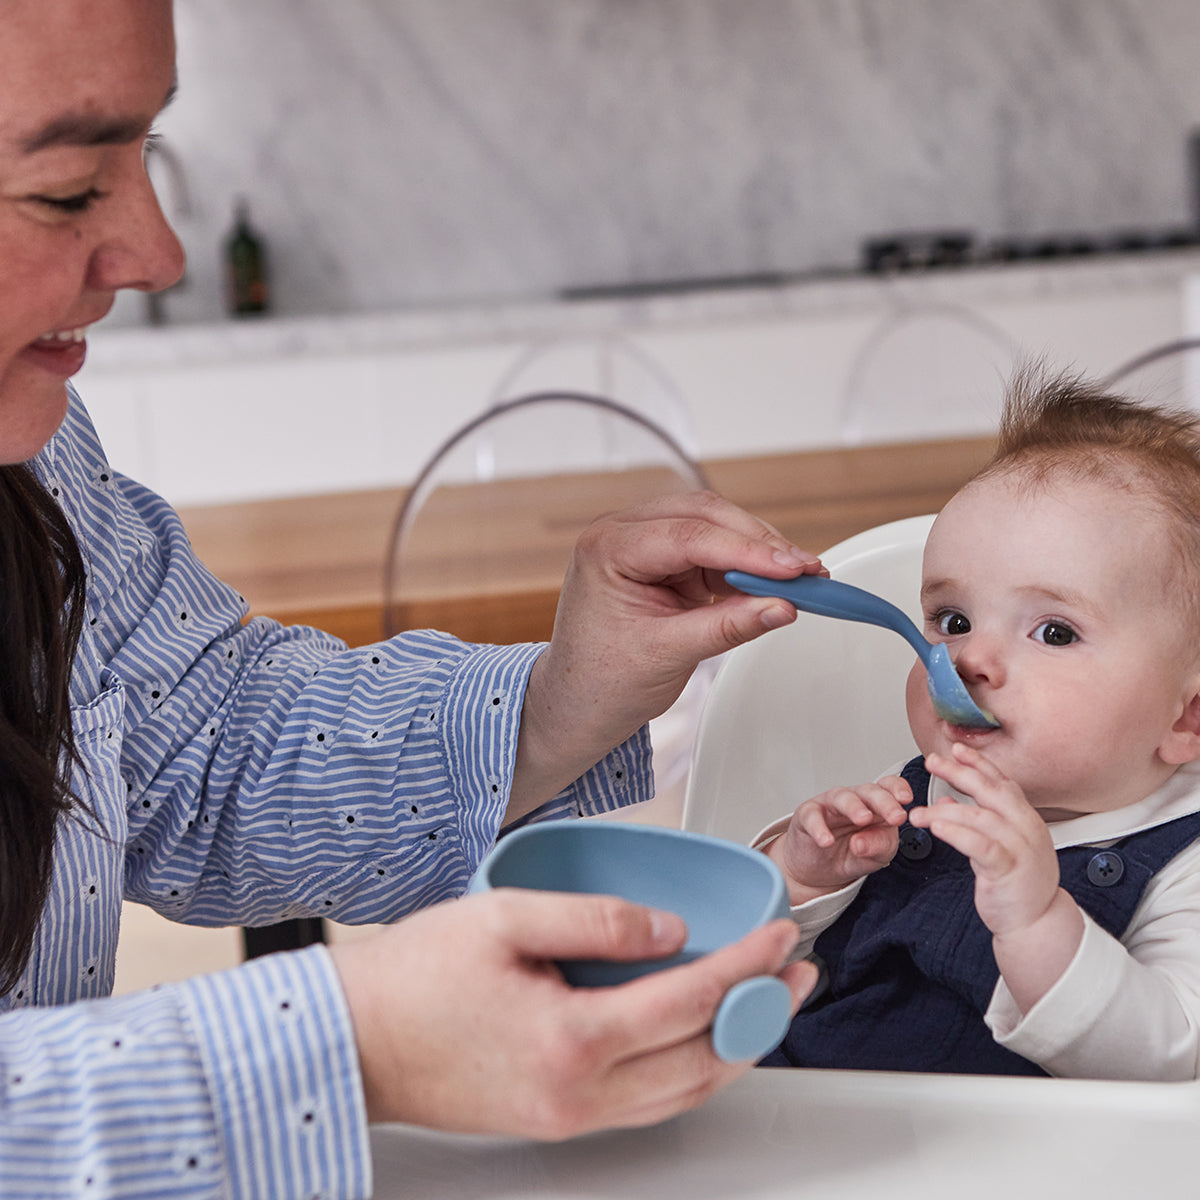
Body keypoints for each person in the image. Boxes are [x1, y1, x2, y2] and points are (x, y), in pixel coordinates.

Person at [0, 1, 821, 1196]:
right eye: (71, 188)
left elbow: (196, 744)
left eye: (148, 156)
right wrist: (348, 1051)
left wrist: (553, 705)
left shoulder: (36, 463)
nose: (160, 253)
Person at [758, 367, 1200, 1080]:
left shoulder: (1185, 869)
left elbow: (1172, 1062)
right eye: (953, 620)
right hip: (810, 1128)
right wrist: (803, 880)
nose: (971, 659)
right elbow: (756, 978)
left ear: (1188, 718)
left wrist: (1035, 923)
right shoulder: (905, 803)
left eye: (1054, 632)